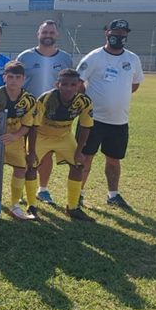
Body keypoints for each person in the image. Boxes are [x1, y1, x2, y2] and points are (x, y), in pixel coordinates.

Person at [77, 19, 144, 209]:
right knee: (85, 157)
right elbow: (79, 82)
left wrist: (115, 97)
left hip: (119, 120)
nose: (119, 36)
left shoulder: (132, 59)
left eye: (123, 33)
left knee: (114, 159)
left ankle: (113, 195)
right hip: (92, 119)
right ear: (107, 33)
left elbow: (135, 84)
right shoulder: (94, 57)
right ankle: (78, 193)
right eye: (116, 32)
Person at [16, 20, 74, 205]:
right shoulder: (25, 56)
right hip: (28, 113)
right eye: (45, 32)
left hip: (53, 115)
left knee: (46, 153)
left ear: (57, 35)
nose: (48, 35)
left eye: (51, 32)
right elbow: (17, 82)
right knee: (26, 153)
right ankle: (26, 190)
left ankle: (43, 189)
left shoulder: (65, 58)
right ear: (38, 34)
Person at [34, 68, 95, 221]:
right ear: (57, 84)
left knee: (78, 165)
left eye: (73, 85)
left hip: (63, 136)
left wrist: (79, 151)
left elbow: (86, 127)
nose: (69, 88)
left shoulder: (84, 101)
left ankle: (73, 207)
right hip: (42, 135)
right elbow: (34, 125)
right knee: (29, 165)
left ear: (79, 85)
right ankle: (30, 205)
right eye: (65, 84)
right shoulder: (46, 99)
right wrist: (31, 149)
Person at [0, 61, 39, 220]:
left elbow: (27, 125)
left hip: (15, 138)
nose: (13, 80)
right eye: (10, 77)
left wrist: (15, 136)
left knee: (20, 169)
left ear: (23, 79)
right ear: (4, 78)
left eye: (17, 77)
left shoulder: (29, 100)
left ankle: (14, 204)